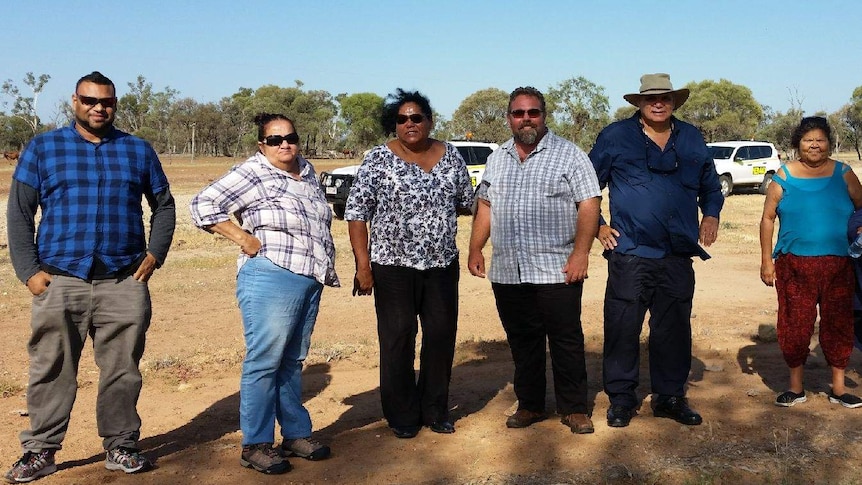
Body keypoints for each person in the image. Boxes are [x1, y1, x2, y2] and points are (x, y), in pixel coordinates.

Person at [5, 71, 176, 482]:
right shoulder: (44, 148)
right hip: (60, 279)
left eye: (107, 102)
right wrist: (29, 272)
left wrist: (154, 255)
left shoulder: (137, 150)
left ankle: (121, 445)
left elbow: (164, 206)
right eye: (89, 100)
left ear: (115, 104)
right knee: (51, 367)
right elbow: (19, 213)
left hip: (123, 280)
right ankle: (41, 451)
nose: (98, 107)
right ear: (74, 101)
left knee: (122, 368)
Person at [190, 113, 338, 474]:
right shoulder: (252, 171)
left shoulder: (307, 170)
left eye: (290, 137)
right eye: (274, 140)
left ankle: (295, 434)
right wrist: (243, 238)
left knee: (291, 360)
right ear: (262, 145)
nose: (284, 144)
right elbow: (202, 205)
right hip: (271, 275)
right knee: (264, 361)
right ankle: (255, 444)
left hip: (308, 277)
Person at [589, 73, 723, 428]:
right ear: (640, 103)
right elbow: (586, 186)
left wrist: (711, 215)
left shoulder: (692, 138)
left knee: (674, 328)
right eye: (651, 99)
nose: (658, 103)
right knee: (622, 326)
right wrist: (599, 225)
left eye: (665, 98)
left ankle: (670, 396)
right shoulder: (615, 137)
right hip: (630, 252)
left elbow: (711, 188)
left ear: (675, 101)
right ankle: (621, 400)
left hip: (677, 254)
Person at [468, 86, 601, 434]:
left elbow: (589, 203)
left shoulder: (570, 155)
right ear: (509, 118)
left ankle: (574, 408)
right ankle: (530, 405)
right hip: (509, 271)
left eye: (533, 112)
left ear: (544, 115)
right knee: (523, 343)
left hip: (557, 268)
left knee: (566, 340)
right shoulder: (498, 158)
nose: (526, 119)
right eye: (518, 113)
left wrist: (581, 254)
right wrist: (475, 248)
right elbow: (485, 205)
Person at [346, 89, 473, 439]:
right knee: (398, 337)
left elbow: (467, 201)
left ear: (429, 121)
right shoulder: (377, 160)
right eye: (402, 119)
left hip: (441, 266)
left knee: (441, 336)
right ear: (395, 124)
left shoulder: (452, 157)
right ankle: (402, 415)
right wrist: (363, 266)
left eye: (416, 117)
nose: (409, 124)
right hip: (392, 267)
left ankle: (435, 410)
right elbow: (357, 214)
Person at [760, 116, 862, 408]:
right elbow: (767, 219)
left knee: (838, 323)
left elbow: (861, 208)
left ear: (829, 143)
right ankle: (795, 388)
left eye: (820, 140)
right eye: (808, 140)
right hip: (794, 265)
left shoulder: (844, 173)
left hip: (839, 264)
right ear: (797, 144)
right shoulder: (784, 175)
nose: (815, 145)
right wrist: (767, 261)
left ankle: (839, 389)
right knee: (795, 324)